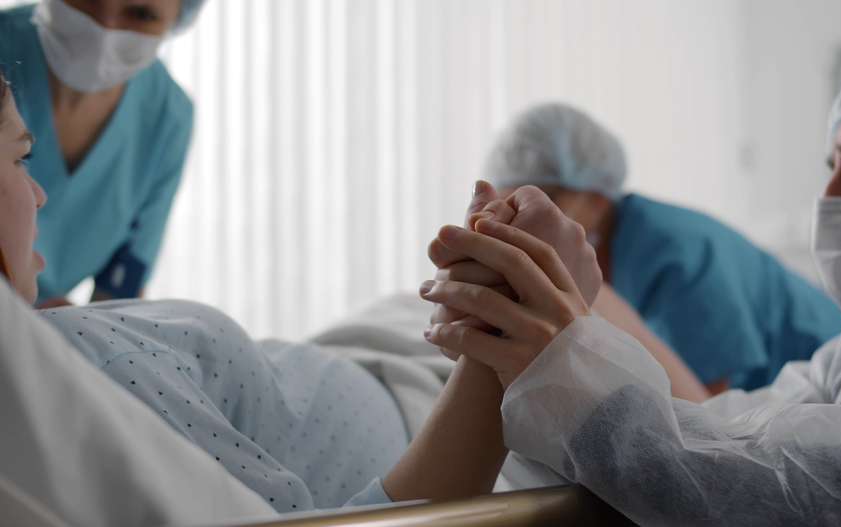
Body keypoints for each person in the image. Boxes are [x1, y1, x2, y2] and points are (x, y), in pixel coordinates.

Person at [424, 41, 841, 525]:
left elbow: (828, 499)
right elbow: (715, 439)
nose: (826, 201)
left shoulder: (679, 252)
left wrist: (563, 359)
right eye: (831, 167)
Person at [0, 67, 605, 519]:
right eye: (22, 160)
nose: (41, 196)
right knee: (579, 284)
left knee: (561, 275)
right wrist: (498, 334)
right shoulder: (78, 367)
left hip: (370, 356)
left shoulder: (58, 346)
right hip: (429, 407)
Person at [483, 102, 841, 394]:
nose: (518, 224)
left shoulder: (679, 254)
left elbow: (705, 419)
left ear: (597, 196)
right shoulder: (601, 251)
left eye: (536, 201)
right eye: (507, 206)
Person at [0, 0, 205, 308]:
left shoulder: (168, 117)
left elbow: (119, 290)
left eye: (142, 14)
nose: (104, 28)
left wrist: (76, 339)